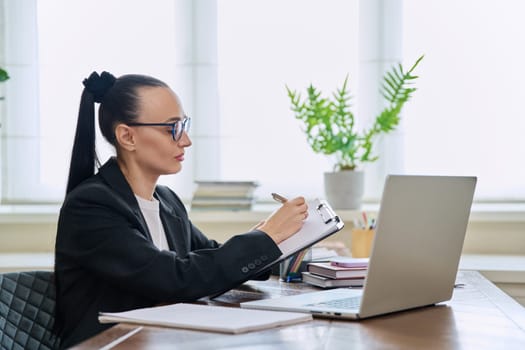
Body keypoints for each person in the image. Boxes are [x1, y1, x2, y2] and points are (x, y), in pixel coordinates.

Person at [54, 71, 308, 348]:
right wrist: (266, 236)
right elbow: (176, 278)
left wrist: (286, 241)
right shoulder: (91, 206)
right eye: (172, 128)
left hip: (162, 340)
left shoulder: (167, 201)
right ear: (127, 136)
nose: (185, 140)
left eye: (184, 125)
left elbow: (211, 258)